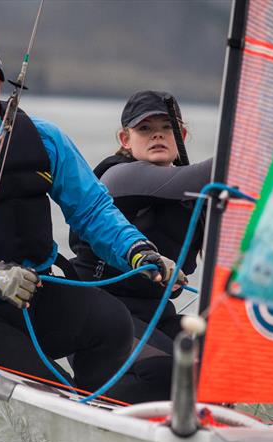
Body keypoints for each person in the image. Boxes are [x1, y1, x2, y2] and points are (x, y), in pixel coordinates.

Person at [0, 25, 183, 403]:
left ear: (0, 79)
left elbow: (91, 209)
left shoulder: (44, 139)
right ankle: (73, 410)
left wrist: (137, 250)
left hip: (35, 292)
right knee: (57, 390)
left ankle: (103, 414)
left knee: (110, 322)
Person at [70, 90, 212, 354]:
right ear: (125, 140)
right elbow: (216, 172)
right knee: (168, 370)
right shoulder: (118, 177)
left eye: (166, 127)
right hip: (99, 314)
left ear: (181, 136)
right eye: (144, 128)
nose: (156, 134)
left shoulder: (193, 199)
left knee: (219, 354)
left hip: (153, 315)